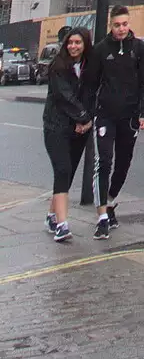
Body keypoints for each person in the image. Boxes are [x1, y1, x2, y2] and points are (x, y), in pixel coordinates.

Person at [86, 5, 144, 240]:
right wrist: (88, 114)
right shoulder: (101, 50)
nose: (121, 29)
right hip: (105, 115)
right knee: (103, 162)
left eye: (125, 24)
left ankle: (110, 200)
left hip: (130, 117)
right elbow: (90, 84)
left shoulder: (140, 49)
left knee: (123, 163)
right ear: (110, 25)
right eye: (117, 25)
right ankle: (102, 217)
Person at [42, 27, 93, 244]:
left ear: (85, 45)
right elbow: (65, 97)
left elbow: (92, 94)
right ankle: (62, 226)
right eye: (70, 42)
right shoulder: (58, 67)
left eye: (78, 43)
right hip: (56, 127)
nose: (73, 46)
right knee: (62, 169)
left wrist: (86, 121)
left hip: (78, 129)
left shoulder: (89, 67)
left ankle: (51, 216)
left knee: (67, 174)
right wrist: (85, 118)